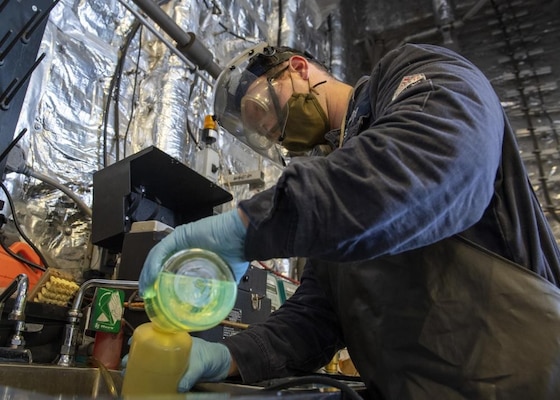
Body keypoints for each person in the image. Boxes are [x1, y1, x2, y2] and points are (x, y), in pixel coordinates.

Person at [137, 42, 560, 399]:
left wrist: (247, 228)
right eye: (263, 135)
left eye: (263, 110)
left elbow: (434, 163)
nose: (274, 132)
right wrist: (228, 357)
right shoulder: (336, 205)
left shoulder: (412, 73)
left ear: (298, 69)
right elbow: (316, 319)